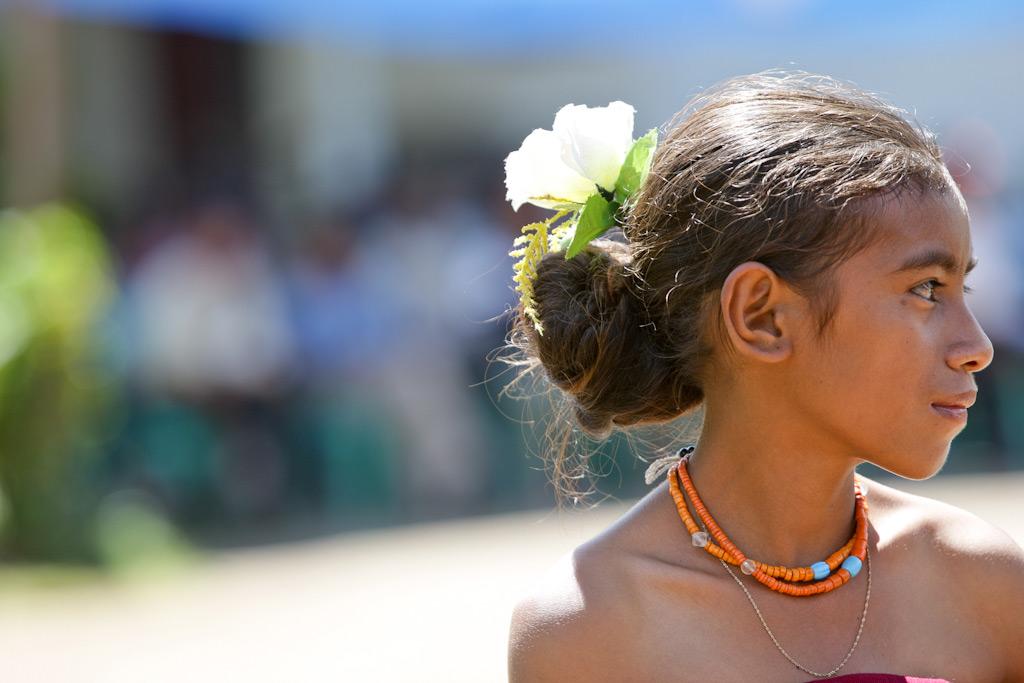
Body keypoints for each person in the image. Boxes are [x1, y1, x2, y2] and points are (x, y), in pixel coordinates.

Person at [502, 72, 1024, 682]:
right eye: (927, 289)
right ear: (762, 316)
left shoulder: (985, 583)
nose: (977, 347)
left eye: (966, 288)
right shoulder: (589, 631)